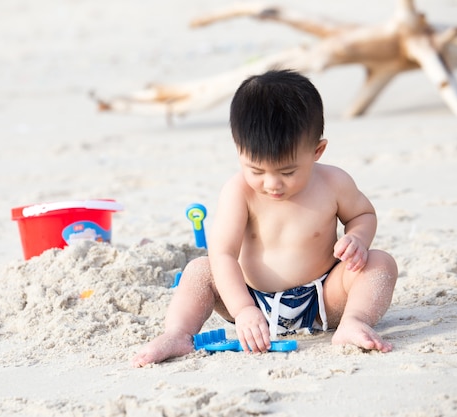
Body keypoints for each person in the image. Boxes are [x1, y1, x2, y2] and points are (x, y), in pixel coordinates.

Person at [131, 69, 398, 367]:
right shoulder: (238, 192)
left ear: (317, 151)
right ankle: (178, 333)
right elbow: (224, 254)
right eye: (256, 170)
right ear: (239, 151)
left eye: (287, 172)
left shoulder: (334, 183)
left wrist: (357, 238)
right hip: (251, 300)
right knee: (200, 271)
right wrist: (243, 309)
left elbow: (363, 214)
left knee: (379, 262)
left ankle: (354, 322)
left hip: (323, 297)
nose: (272, 184)